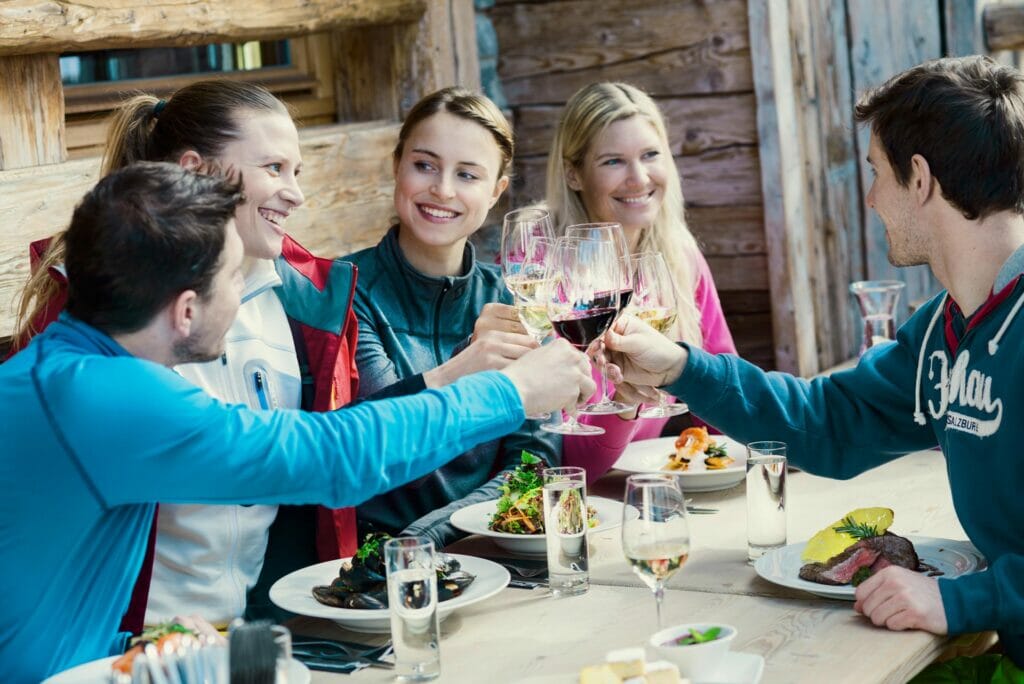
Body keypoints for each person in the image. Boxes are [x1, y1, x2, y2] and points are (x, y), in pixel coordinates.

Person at [0, 162, 594, 681]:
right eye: (236, 279)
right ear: (185, 311)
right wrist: (512, 390)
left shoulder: (70, 371)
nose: (247, 293)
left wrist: (143, 649)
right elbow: (333, 457)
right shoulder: (105, 397)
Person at [604, 56, 1024, 678]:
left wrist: (966, 598)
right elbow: (832, 422)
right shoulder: (943, 329)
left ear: (921, 178)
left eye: (876, 172)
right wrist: (681, 369)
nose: (870, 196)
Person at [12, 80, 363, 629]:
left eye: (298, 172)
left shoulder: (311, 299)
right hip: (121, 645)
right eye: (273, 168)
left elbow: (319, 484)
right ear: (198, 171)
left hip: (255, 630)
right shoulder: (91, 314)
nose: (295, 194)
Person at [344, 86, 559, 548]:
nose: (442, 189)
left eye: (467, 174)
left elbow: (533, 460)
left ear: (496, 191)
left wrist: (436, 538)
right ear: (396, 166)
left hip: (487, 552)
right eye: (425, 165)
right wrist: (469, 364)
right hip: (373, 566)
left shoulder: (512, 298)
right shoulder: (344, 292)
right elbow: (374, 446)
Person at [545, 82, 737, 480]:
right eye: (613, 161)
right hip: (576, 506)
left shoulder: (678, 256)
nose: (638, 177)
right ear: (573, 174)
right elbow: (565, 461)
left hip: (649, 495)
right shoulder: (541, 275)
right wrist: (623, 405)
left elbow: (724, 388)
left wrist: (766, 449)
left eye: (651, 155)